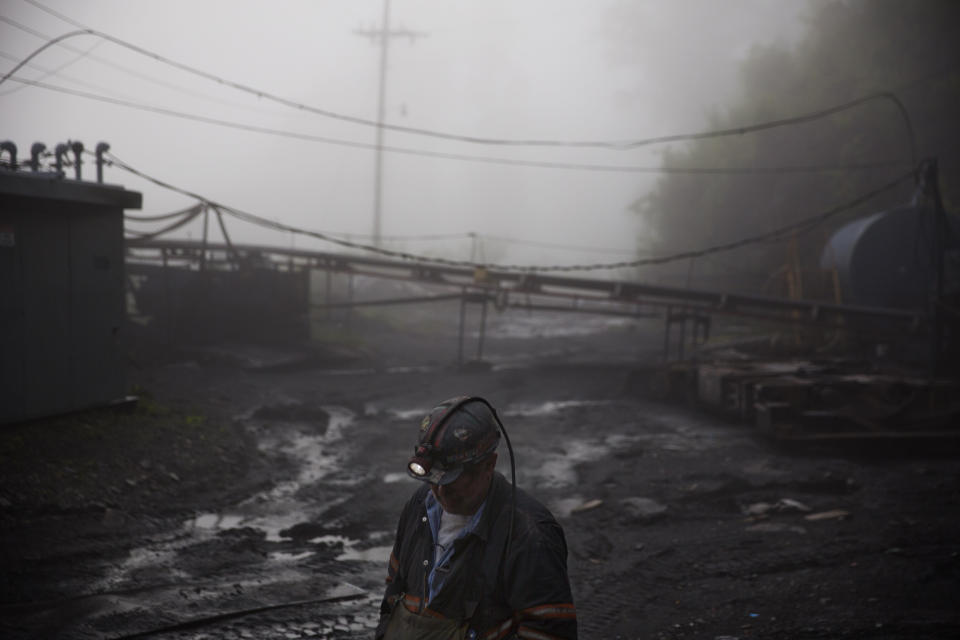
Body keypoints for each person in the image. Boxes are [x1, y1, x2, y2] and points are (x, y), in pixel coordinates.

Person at [376, 395, 577, 640]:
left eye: (451, 480)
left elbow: (549, 632)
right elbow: (394, 587)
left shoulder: (530, 534)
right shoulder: (419, 507)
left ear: (489, 465)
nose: (440, 492)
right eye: (433, 479)